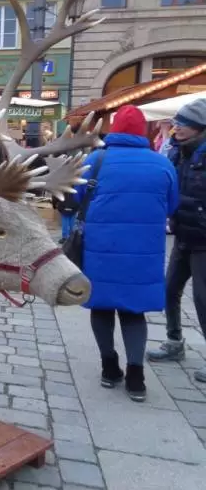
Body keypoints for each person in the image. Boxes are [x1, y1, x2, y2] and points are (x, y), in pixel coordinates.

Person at [76, 105, 178, 401]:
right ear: (142, 131)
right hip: (143, 251)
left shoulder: (96, 160)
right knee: (134, 312)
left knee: (101, 307)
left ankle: (109, 368)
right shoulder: (161, 163)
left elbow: (77, 196)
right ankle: (136, 377)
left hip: (101, 249)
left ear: (115, 129)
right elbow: (171, 205)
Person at [147, 98, 206, 384]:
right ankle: (174, 341)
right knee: (169, 290)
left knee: (203, 299)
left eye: (183, 124)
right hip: (183, 234)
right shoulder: (177, 153)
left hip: (204, 240)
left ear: (199, 127)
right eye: (176, 122)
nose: (176, 127)